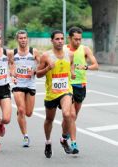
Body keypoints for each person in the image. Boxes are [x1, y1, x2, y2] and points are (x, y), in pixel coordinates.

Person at [36, 30, 75, 158]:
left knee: (67, 114)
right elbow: (38, 74)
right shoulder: (46, 56)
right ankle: (48, 142)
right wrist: (47, 68)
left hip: (66, 91)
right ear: (52, 41)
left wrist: (73, 72)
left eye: (61, 39)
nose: (60, 41)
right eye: (57, 39)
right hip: (51, 93)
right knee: (49, 119)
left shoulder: (69, 54)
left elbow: (72, 65)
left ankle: (64, 139)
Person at [62, 26, 99, 154]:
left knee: (74, 115)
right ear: (69, 38)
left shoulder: (85, 49)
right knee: (71, 115)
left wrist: (86, 67)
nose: (78, 42)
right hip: (67, 86)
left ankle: (64, 136)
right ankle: (73, 143)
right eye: (75, 39)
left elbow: (96, 65)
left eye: (79, 39)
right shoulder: (64, 50)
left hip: (81, 86)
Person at [11, 30, 40, 147]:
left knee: (29, 113)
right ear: (17, 40)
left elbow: (41, 64)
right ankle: (25, 136)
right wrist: (12, 74)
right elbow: (11, 66)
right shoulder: (12, 53)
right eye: (20, 38)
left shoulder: (34, 52)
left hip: (30, 84)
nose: (23, 40)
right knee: (22, 110)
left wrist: (34, 70)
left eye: (24, 38)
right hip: (18, 84)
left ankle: (20, 111)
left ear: (27, 39)